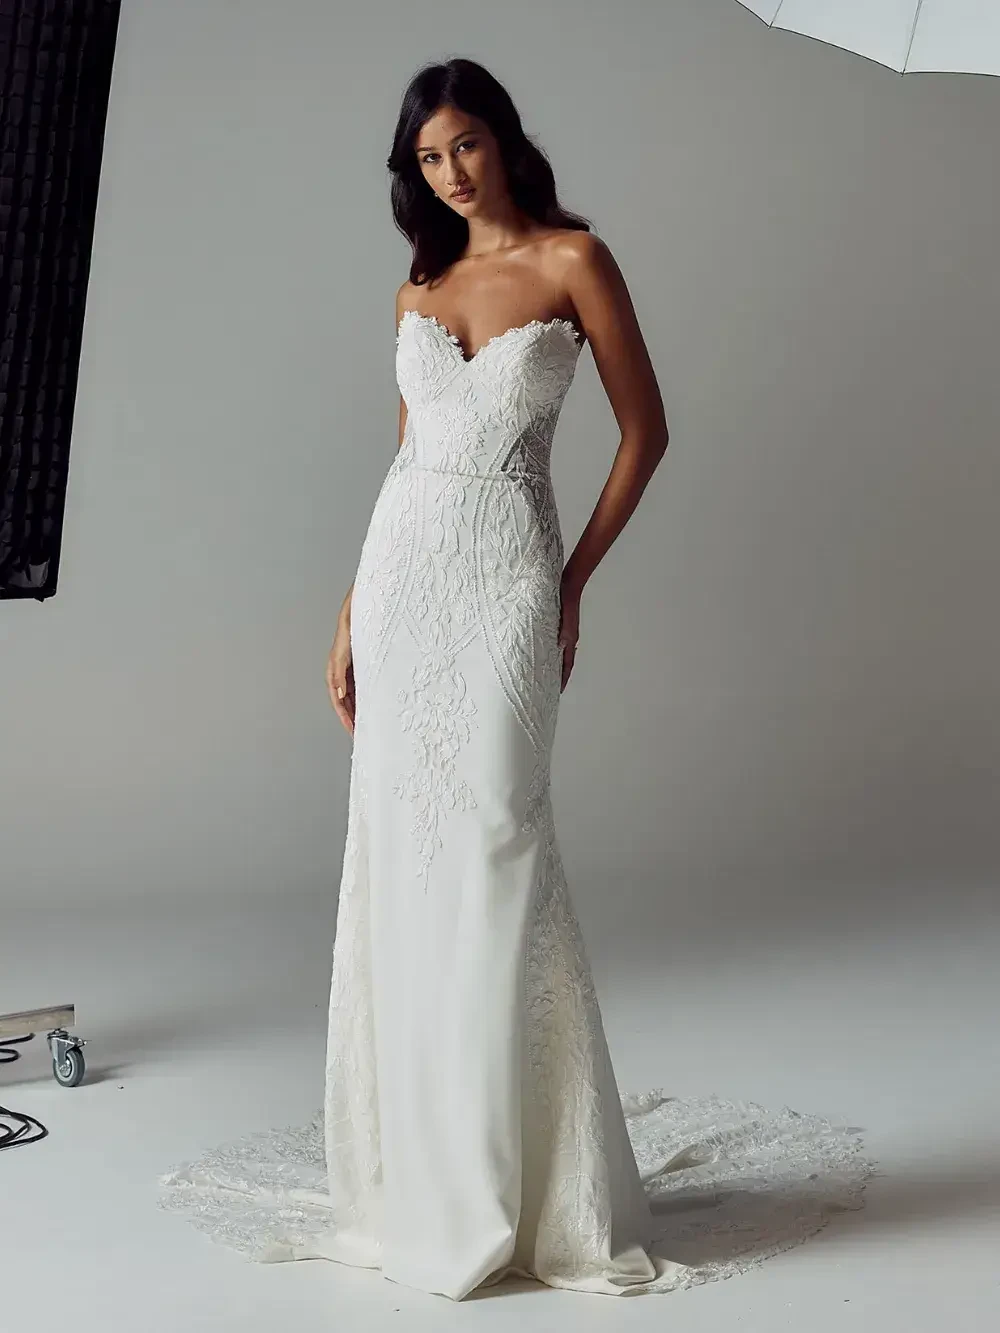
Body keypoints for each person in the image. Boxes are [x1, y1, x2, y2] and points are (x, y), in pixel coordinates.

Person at [157, 57, 875, 1302]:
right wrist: (344, 612)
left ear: (505, 139)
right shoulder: (418, 285)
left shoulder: (573, 262)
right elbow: (408, 459)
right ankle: (421, 1171)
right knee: (400, 851)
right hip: (401, 586)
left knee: (497, 841)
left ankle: (525, 1181)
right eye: (430, 158)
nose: (451, 171)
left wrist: (573, 580)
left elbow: (646, 433)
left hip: (504, 582)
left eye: (467, 145)